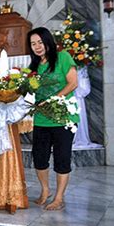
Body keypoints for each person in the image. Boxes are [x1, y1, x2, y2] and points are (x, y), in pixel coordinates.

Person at [27, 27, 79, 211]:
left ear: (47, 41)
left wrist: (53, 98)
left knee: (61, 158)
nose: (37, 47)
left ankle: (59, 198)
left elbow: (73, 83)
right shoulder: (33, 67)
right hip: (41, 119)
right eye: (33, 44)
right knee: (39, 157)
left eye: (40, 42)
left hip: (63, 117)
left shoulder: (63, 57)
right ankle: (45, 191)